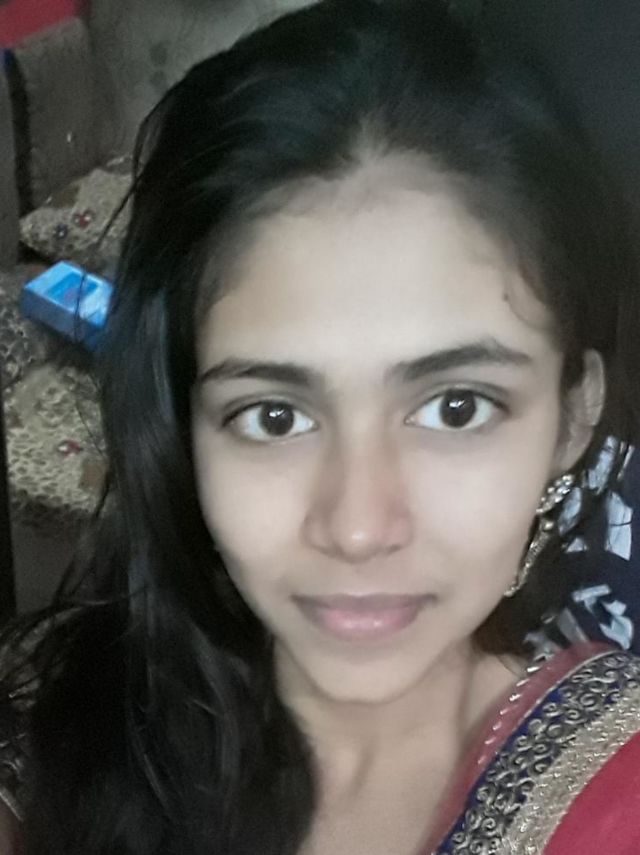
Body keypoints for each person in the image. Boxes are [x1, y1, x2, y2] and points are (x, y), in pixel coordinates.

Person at [1, 0, 640, 852]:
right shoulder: (71, 726)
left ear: (571, 420)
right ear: (183, 427)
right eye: (275, 416)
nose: (358, 527)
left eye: (456, 407)